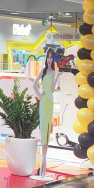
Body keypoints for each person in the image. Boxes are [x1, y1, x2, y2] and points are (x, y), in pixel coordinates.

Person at [32, 48, 61, 179]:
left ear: (53, 59)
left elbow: (53, 89)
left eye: (51, 57)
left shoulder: (53, 72)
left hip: (50, 100)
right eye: (48, 57)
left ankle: (44, 167)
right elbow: (34, 84)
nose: (49, 60)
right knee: (43, 128)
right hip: (44, 101)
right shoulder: (43, 71)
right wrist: (39, 95)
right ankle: (42, 163)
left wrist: (57, 77)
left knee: (48, 128)